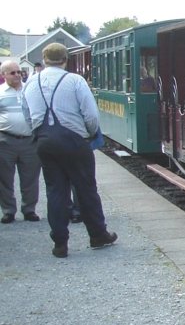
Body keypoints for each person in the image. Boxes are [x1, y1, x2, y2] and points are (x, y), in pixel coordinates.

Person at [24, 43, 116, 259]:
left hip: (44, 140)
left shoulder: (30, 83)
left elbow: (26, 114)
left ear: (44, 59)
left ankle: (60, 243)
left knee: (55, 190)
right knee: (86, 188)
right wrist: (90, 134)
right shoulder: (75, 81)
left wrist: (38, 134)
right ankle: (98, 235)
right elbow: (91, 114)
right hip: (74, 140)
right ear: (65, 59)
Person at [0, 61, 41, 223]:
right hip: (6, 140)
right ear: (3, 75)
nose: (17, 75)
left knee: (30, 178)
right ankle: (8, 210)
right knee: (4, 179)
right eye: (13, 73)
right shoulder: (1, 92)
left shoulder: (30, 90)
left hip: (29, 141)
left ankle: (29, 209)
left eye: (19, 72)